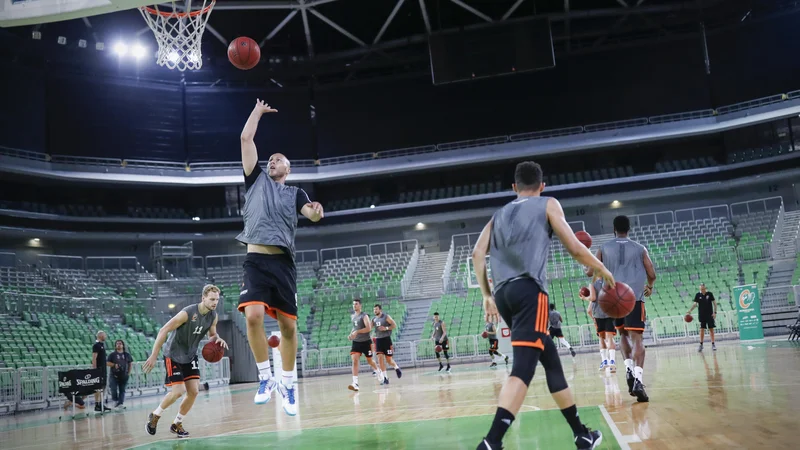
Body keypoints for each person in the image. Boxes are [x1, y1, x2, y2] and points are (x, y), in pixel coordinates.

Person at [472, 161, 615, 450]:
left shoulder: (498, 215)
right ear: (542, 186)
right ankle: (491, 442)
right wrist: (601, 268)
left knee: (549, 356)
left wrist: (486, 296)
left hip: (503, 294)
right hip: (529, 292)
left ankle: (581, 435)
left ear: (514, 187)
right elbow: (575, 247)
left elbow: (477, 253)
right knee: (523, 369)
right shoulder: (549, 204)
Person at [238, 99, 323, 415]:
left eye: (278, 160)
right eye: (270, 159)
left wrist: (315, 213)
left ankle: (287, 383)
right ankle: (265, 378)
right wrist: (256, 112)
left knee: (288, 328)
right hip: (256, 260)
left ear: (288, 169)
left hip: (283, 264)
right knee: (254, 315)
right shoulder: (255, 180)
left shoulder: (295, 193)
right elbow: (246, 140)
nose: (272, 161)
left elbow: (310, 216)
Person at [143, 285, 228, 438]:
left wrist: (218, 339)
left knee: (194, 391)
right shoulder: (187, 313)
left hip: (190, 355)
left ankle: (177, 424)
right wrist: (154, 355)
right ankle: (155, 415)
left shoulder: (213, 316)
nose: (215, 302)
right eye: (212, 299)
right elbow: (163, 330)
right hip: (173, 354)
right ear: (203, 298)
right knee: (178, 391)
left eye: (217, 299)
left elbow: (212, 334)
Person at [588, 215, 656, 403]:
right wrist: (649, 286)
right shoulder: (640, 248)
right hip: (633, 298)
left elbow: (589, 272)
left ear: (613, 229)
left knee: (623, 336)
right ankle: (638, 380)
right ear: (629, 228)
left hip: (612, 299)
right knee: (638, 339)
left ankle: (628, 370)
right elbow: (652, 273)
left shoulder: (602, 248)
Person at [580, 279, 616, 372]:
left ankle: (604, 361)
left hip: (598, 315)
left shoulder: (592, 283)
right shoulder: (609, 281)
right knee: (610, 338)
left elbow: (590, 307)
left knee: (601, 338)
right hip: (610, 312)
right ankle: (612, 362)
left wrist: (585, 298)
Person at [348, 299, 381, 391]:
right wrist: (351, 334)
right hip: (356, 342)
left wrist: (357, 332)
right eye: (353, 304)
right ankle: (355, 383)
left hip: (366, 341)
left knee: (370, 361)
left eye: (356, 304)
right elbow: (354, 328)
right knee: (354, 360)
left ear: (360, 305)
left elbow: (369, 328)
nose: (354, 306)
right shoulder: (352, 316)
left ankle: (378, 372)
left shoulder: (364, 316)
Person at [372, 304, 402, 384]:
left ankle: (396, 368)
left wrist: (386, 328)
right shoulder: (374, 319)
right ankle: (385, 378)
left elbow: (394, 325)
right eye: (374, 309)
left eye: (376, 309)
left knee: (389, 360)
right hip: (378, 340)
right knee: (380, 359)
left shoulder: (386, 317)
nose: (375, 311)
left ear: (380, 310)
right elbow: (369, 328)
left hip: (386, 339)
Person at [687, 283, 717, 352]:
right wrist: (690, 310)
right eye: (701, 289)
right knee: (701, 329)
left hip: (710, 315)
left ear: (705, 288)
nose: (702, 290)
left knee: (711, 329)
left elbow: (715, 303)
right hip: (702, 315)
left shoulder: (710, 294)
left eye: (703, 289)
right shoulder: (698, 295)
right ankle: (701, 344)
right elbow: (695, 304)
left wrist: (715, 312)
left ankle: (713, 344)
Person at [107, 339, 134, 409]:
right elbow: (107, 362)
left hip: (124, 375)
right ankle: (115, 400)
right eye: (117, 344)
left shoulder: (127, 355)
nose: (119, 345)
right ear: (115, 346)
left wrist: (128, 373)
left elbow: (130, 363)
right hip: (114, 375)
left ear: (123, 345)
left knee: (122, 390)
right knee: (113, 388)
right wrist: (114, 365)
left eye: (120, 343)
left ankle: (120, 403)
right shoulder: (112, 355)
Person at [91, 331, 112, 413]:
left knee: (102, 387)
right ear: (100, 336)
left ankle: (101, 403)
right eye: (104, 335)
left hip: (103, 369)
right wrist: (95, 369)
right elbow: (94, 358)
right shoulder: (96, 345)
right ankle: (97, 404)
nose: (105, 337)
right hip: (99, 370)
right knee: (98, 387)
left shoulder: (102, 345)